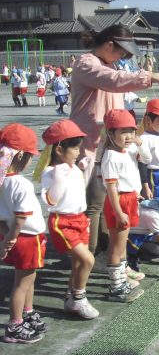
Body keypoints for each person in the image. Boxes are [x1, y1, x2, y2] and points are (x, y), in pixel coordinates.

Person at [69, 24, 159, 268]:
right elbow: (113, 81)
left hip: (111, 145)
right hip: (91, 146)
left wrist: (130, 136)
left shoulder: (109, 64)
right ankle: (89, 254)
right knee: (94, 205)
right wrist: (150, 77)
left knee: (109, 202)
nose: (122, 59)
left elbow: (117, 88)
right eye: (121, 53)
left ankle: (109, 251)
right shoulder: (87, 63)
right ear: (109, 46)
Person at [34, 120, 99, 319]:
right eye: (76, 148)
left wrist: (77, 168)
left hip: (80, 219)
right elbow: (52, 200)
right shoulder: (50, 172)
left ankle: (71, 297)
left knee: (78, 263)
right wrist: (59, 177)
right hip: (63, 222)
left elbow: (78, 190)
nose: (79, 151)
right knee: (88, 259)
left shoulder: (71, 167)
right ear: (60, 149)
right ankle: (79, 298)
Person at [0, 124, 46, 344]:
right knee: (21, 282)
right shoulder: (20, 183)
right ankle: (15, 325)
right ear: (20, 156)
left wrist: (7, 237)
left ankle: (27, 313)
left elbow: (2, 218)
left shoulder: (2, 181)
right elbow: (20, 217)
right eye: (29, 156)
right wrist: (11, 238)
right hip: (27, 239)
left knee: (28, 279)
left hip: (19, 238)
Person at [101, 109, 151, 302]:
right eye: (123, 132)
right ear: (111, 134)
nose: (129, 136)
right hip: (120, 201)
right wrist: (119, 211)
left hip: (130, 199)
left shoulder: (129, 149)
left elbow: (146, 159)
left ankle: (122, 278)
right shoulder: (110, 156)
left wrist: (140, 143)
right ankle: (117, 287)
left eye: (131, 130)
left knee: (122, 244)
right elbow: (112, 188)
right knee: (117, 245)